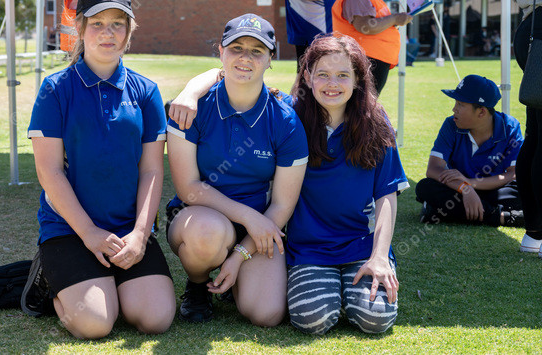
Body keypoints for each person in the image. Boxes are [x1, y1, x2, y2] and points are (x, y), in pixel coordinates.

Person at [169, 34, 407, 334]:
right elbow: (234, 74)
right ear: (306, 76)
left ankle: (348, 286)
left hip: (361, 245)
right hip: (309, 248)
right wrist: (191, 90)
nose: (332, 84)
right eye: (322, 74)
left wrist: (380, 257)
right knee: (312, 319)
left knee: (375, 320)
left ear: (358, 78)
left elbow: (387, 194)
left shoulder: (376, 121)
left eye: (343, 75)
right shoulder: (291, 115)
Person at [23, 0, 174, 339]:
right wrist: (89, 233)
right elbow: (49, 171)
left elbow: (152, 170)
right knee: (94, 323)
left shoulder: (146, 91)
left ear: (129, 30)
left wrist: (140, 234)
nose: (108, 33)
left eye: (118, 23)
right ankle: (51, 278)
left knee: (155, 319)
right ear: (79, 27)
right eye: (97, 23)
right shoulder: (55, 89)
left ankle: (110, 283)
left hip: (127, 230)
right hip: (70, 229)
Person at [166, 14, 308, 325]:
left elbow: (282, 204)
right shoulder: (191, 106)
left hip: (259, 225)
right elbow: (188, 188)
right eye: (237, 48)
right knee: (208, 234)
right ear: (221, 52)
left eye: (257, 51)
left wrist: (241, 254)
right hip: (201, 217)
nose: (245, 58)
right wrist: (249, 217)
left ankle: (235, 274)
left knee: (266, 314)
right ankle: (198, 284)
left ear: (270, 59)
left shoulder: (285, 119)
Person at [415, 75, 524, 227]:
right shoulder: (451, 124)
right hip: (457, 190)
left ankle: (437, 211)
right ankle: (501, 217)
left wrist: (471, 183)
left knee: (525, 190)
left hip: (491, 188)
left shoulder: (509, 127)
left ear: (481, 112)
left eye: (460, 104)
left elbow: (513, 174)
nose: (454, 109)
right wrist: (465, 188)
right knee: (425, 187)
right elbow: (433, 169)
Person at [332, 0, 413, 94]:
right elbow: (365, 27)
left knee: (363, 104)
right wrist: (394, 18)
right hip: (366, 59)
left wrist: (393, 21)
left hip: (369, 59)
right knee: (362, 104)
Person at [513, 0, 542, 255]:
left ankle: (534, 233)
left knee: (535, 136)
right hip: (539, 25)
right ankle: (536, 231)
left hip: (531, 24)